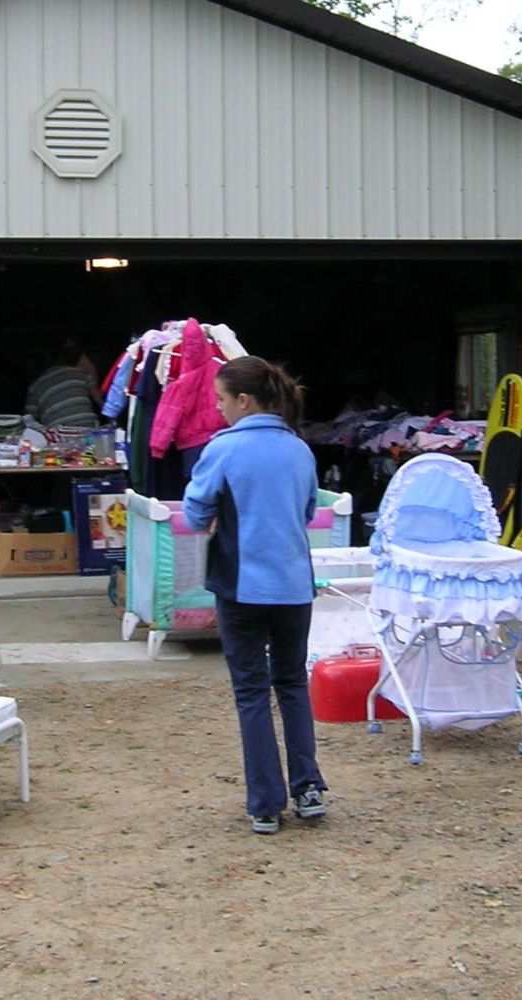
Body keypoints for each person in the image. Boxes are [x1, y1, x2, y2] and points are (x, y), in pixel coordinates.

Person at [182, 356, 327, 835]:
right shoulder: (299, 449)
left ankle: (265, 804)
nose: (218, 409)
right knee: (291, 684)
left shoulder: (223, 448)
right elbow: (306, 510)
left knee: (251, 692)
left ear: (243, 400)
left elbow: (197, 514)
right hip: (293, 586)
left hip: (241, 586)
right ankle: (308, 789)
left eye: (222, 399)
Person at [24, 338, 101, 429]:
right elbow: (98, 399)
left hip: (59, 431)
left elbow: (29, 421)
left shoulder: (34, 387)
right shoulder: (80, 373)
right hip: (88, 424)